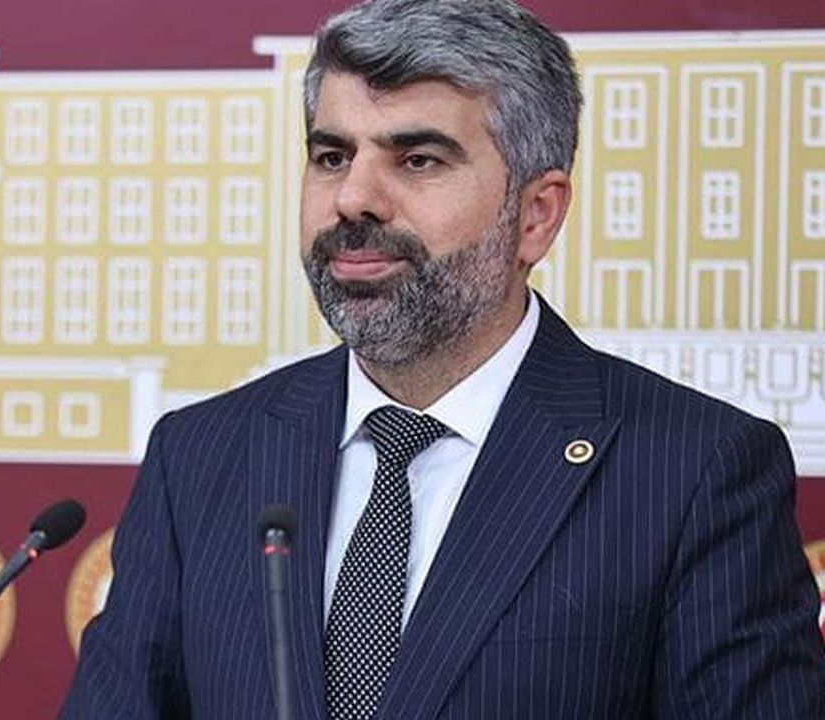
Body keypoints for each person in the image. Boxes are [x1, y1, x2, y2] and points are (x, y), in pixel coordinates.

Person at [60, 0, 825, 717]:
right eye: (331, 156)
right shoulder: (198, 456)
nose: (353, 198)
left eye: (418, 160)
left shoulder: (694, 471)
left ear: (535, 215)